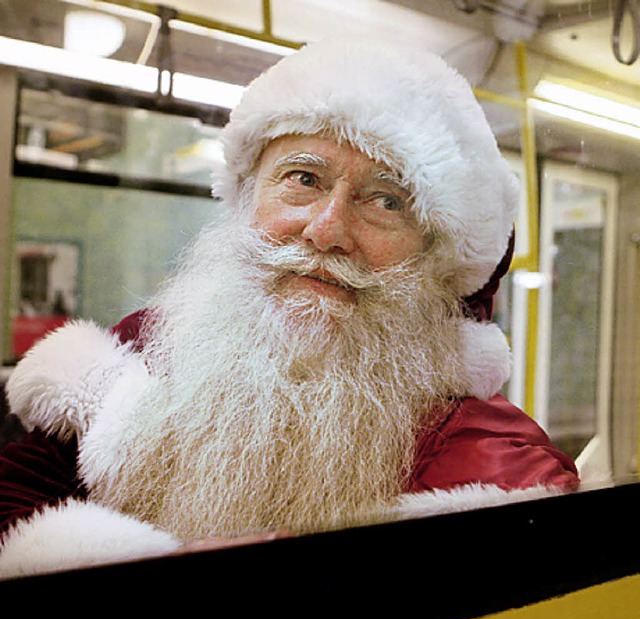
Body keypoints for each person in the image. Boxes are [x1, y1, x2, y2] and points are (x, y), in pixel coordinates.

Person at [0, 38, 578, 580]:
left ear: (436, 252)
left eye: (385, 200)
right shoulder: (143, 351)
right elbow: (16, 496)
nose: (326, 231)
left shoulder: (492, 459)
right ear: (249, 197)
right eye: (303, 177)